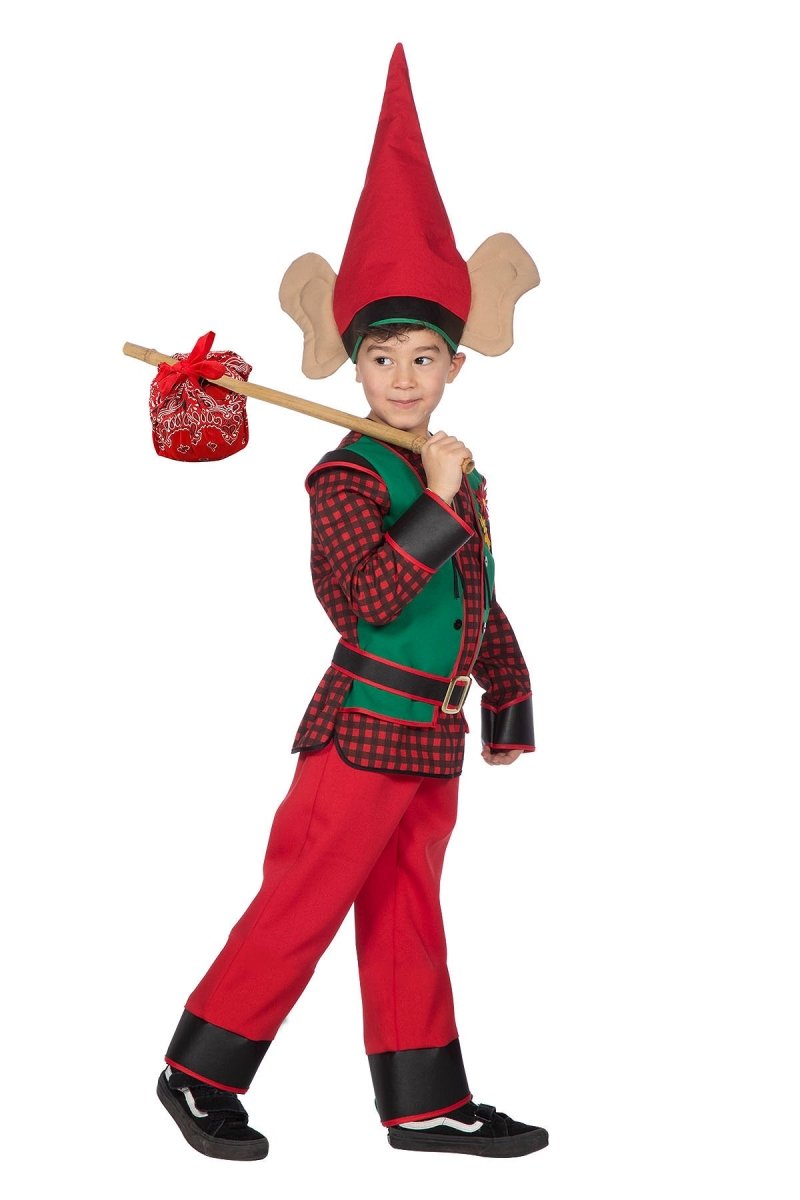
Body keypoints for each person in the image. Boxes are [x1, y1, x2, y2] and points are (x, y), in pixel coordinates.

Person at [157, 43, 548, 1162]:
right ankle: (196, 1074)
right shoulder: (346, 476)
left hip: (433, 735)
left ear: (455, 365)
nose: (406, 379)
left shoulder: (458, 472)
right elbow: (364, 600)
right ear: (354, 366)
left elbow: (479, 599)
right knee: (303, 900)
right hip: (362, 725)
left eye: (426, 358)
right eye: (385, 359)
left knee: (409, 910)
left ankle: (424, 1104)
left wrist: (507, 698)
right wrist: (435, 501)